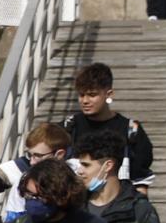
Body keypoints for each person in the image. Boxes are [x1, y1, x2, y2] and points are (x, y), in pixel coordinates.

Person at [64, 63, 155, 195]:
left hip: (118, 208)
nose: (85, 100)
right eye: (81, 95)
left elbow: (140, 181)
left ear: (109, 94)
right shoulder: (69, 127)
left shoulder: (131, 131)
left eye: (92, 94)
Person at [0, 122, 70, 221]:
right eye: (30, 155)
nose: (31, 162)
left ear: (59, 154)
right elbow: (5, 173)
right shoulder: (26, 168)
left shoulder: (75, 172)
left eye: (38, 156)